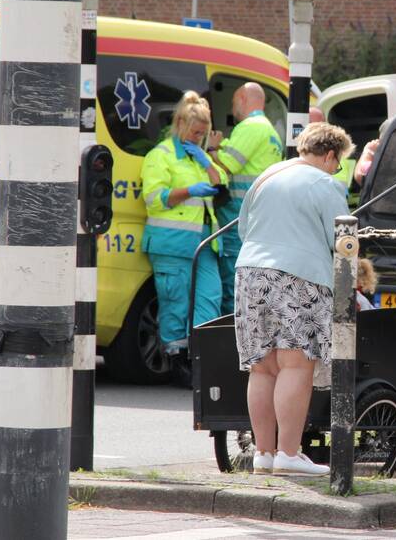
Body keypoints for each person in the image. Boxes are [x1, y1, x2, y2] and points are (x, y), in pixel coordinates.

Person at [233, 122, 353, 476]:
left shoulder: (267, 175)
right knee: (295, 363)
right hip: (299, 274)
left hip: (250, 272)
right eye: (338, 162)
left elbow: (243, 228)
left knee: (262, 366)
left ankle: (264, 454)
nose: (336, 169)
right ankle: (289, 453)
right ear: (330, 155)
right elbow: (342, 239)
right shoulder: (326, 183)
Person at [140, 91, 225, 386]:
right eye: (195, 132)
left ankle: (200, 358)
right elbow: (154, 199)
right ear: (180, 124)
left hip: (205, 243)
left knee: (209, 300)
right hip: (172, 243)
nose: (199, 137)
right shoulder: (160, 156)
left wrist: (208, 161)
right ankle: (178, 362)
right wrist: (189, 191)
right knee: (175, 303)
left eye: (203, 133)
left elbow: (221, 187)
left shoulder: (198, 157)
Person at [209, 82, 283, 316]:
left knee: (233, 281)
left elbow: (226, 166)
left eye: (233, 103)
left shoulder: (249, 127)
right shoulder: (270, 131)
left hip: (236, 217)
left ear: (242, 98)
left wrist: (211, 150)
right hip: (256, 219)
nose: (232, 110)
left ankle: (231, 335)